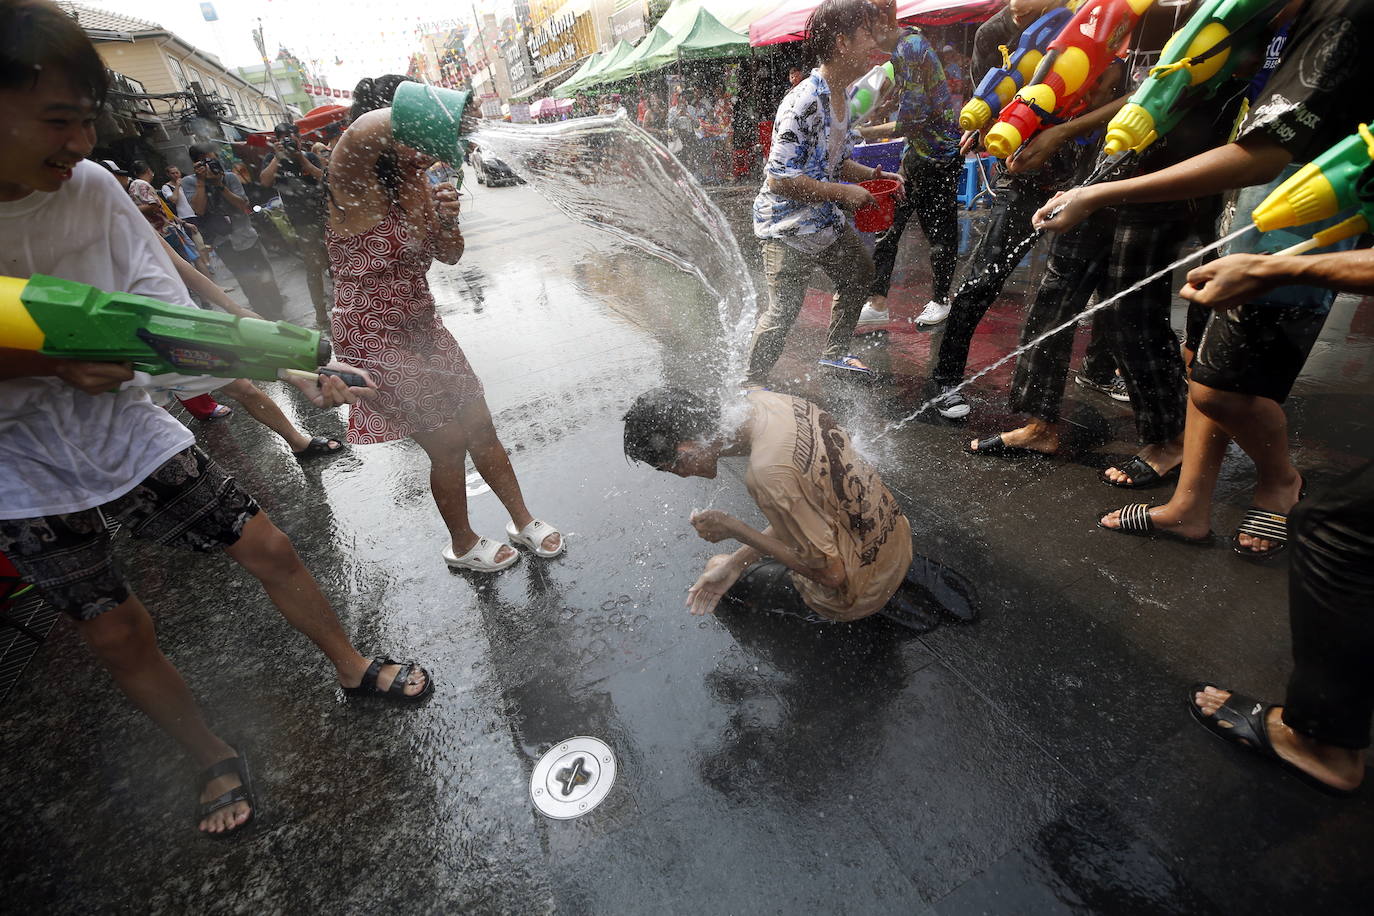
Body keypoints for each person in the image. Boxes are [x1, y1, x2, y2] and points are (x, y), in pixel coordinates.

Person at [0, 0, 432, 838]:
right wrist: (51, 361)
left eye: (89, 123)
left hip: (127, 429)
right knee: (117, 630)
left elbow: (168, 319)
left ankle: (350, 666)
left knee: (267, 544)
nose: (80, 146)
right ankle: (208, 751)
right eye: (57, 121)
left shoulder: (90, 190)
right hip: (18, 468)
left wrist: (296, 361)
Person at [1038, 0, 1374, 557]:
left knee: (1225, 387)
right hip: (1247, 213)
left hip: (1302, 223)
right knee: (1201, 360)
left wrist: (1096, 193)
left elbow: (1264, 153)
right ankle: (1190, 505)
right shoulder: (1275, 21)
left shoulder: (1344, 16)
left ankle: (1279, 482)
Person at [324, 74, 563, 572]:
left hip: (423, 326)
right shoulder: (352, 187)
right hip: (374, 340)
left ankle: (522, 520)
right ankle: (461, 544)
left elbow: (449, 257)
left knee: (480, 425)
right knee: (448, 443)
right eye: (420, 138)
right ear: (399, 133)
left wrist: (447, 220)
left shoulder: (417, 182)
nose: (434, 151)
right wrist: (436, 112)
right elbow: (360, 134)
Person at [1184, 245, 1373, 795]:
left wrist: (1278, 267)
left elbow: (1260, 157)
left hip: (1284, 263)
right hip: (1266, 255)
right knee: (1208, 378)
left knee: (1340, 530)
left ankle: (1323, 742)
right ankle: (1188, 506)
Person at [622, 387, 978, 631]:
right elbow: (805, 498)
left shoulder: (767, 474)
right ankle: (899, 573)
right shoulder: (770, 403)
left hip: (856, 589)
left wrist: (734, 531)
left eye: (668, 467)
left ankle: (876, 602)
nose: (678, 475)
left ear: (685, 450)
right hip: (896, 536)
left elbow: (831, 576)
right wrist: (738, 561)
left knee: (716, 569)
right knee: (737, 561)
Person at [922, 0, 1119, 420]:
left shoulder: (1093, 20)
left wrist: (1065, 132)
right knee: (983, 279)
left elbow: (1127, 94)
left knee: (1100, 282)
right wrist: (995, 135)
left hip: (1089, 170)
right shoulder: (992, 33)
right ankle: (944, 379)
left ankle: (1098, 369)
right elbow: (991, 100)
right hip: (1026, 175)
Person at [746, 0, 907, 386]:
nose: (873, 40)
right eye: (865, 32)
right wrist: (841, 192)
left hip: (823, 219)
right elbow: (779, 180)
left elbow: (838, 161)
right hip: (786, 227)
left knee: (859, 274)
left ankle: (834, 355)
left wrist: (873, 175)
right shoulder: (803, 102)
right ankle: (751, 383)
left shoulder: (843, 98)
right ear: (840, 42)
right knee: (783, 312)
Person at [853, 20, 962, 332]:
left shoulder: (911, 47)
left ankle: (941, 300)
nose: (863, 38)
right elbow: (904, 98)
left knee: (938, 233)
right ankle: (877, 303)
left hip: (939, 157)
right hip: (913, 156)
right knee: (886, 224)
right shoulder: (900, 54)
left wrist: (864, 131)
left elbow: (911, 120)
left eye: (864, 30)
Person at [181, 142, 287, 319]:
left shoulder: (229, 177)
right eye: (207, 162)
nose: (213, 165)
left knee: (264, 274)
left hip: (245, 235)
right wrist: (201, 182)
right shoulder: (190, 182)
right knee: (246, 281)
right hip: (223, 241)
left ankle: (277, 305)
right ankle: (264, 315)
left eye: (214, 160)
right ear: (197, 164)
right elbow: (199, 209)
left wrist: (219, 185)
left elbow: (241, 204)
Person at [260, 120, 331, 329]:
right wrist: (277, 157)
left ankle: (347, 307)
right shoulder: (273, 159)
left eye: (293, 137)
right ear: (278, 141)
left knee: (335, 264)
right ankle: (321, 315)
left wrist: (301, 158)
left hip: (325, 217)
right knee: (313, 269)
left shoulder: (308, 156)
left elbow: (324, 177)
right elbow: (264, 181)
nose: (289, 142)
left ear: (299, 139)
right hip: (302, 223)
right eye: (284, 138)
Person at [161, 163, 217, 280]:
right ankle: (206, 268)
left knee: (205, 244)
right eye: (173, 173)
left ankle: (208, 265)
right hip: (185, 218)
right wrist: (177, 185)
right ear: (168, 174)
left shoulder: (187, 183)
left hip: (196, 214)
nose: (176, 175)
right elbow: (174, 200)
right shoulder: (167, 187)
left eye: (177, 172)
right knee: (197, 245)